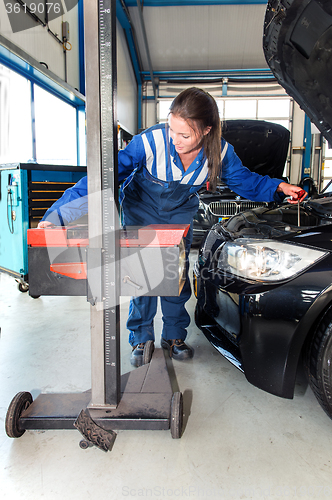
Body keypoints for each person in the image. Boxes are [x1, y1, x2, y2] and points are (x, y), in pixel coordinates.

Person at [38, 87, 306, 367]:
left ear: (206, 131)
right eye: (171, 129)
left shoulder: (220, 153)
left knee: (174, 275)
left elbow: (246, 181)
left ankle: (174, 335)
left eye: (185, 135)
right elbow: (103, 179)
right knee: (142, 277)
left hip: (178, 215)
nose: (175, 140)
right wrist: (58, 214)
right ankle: (141, 337)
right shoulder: (149, 143)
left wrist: (279, 187)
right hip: (140, 210)